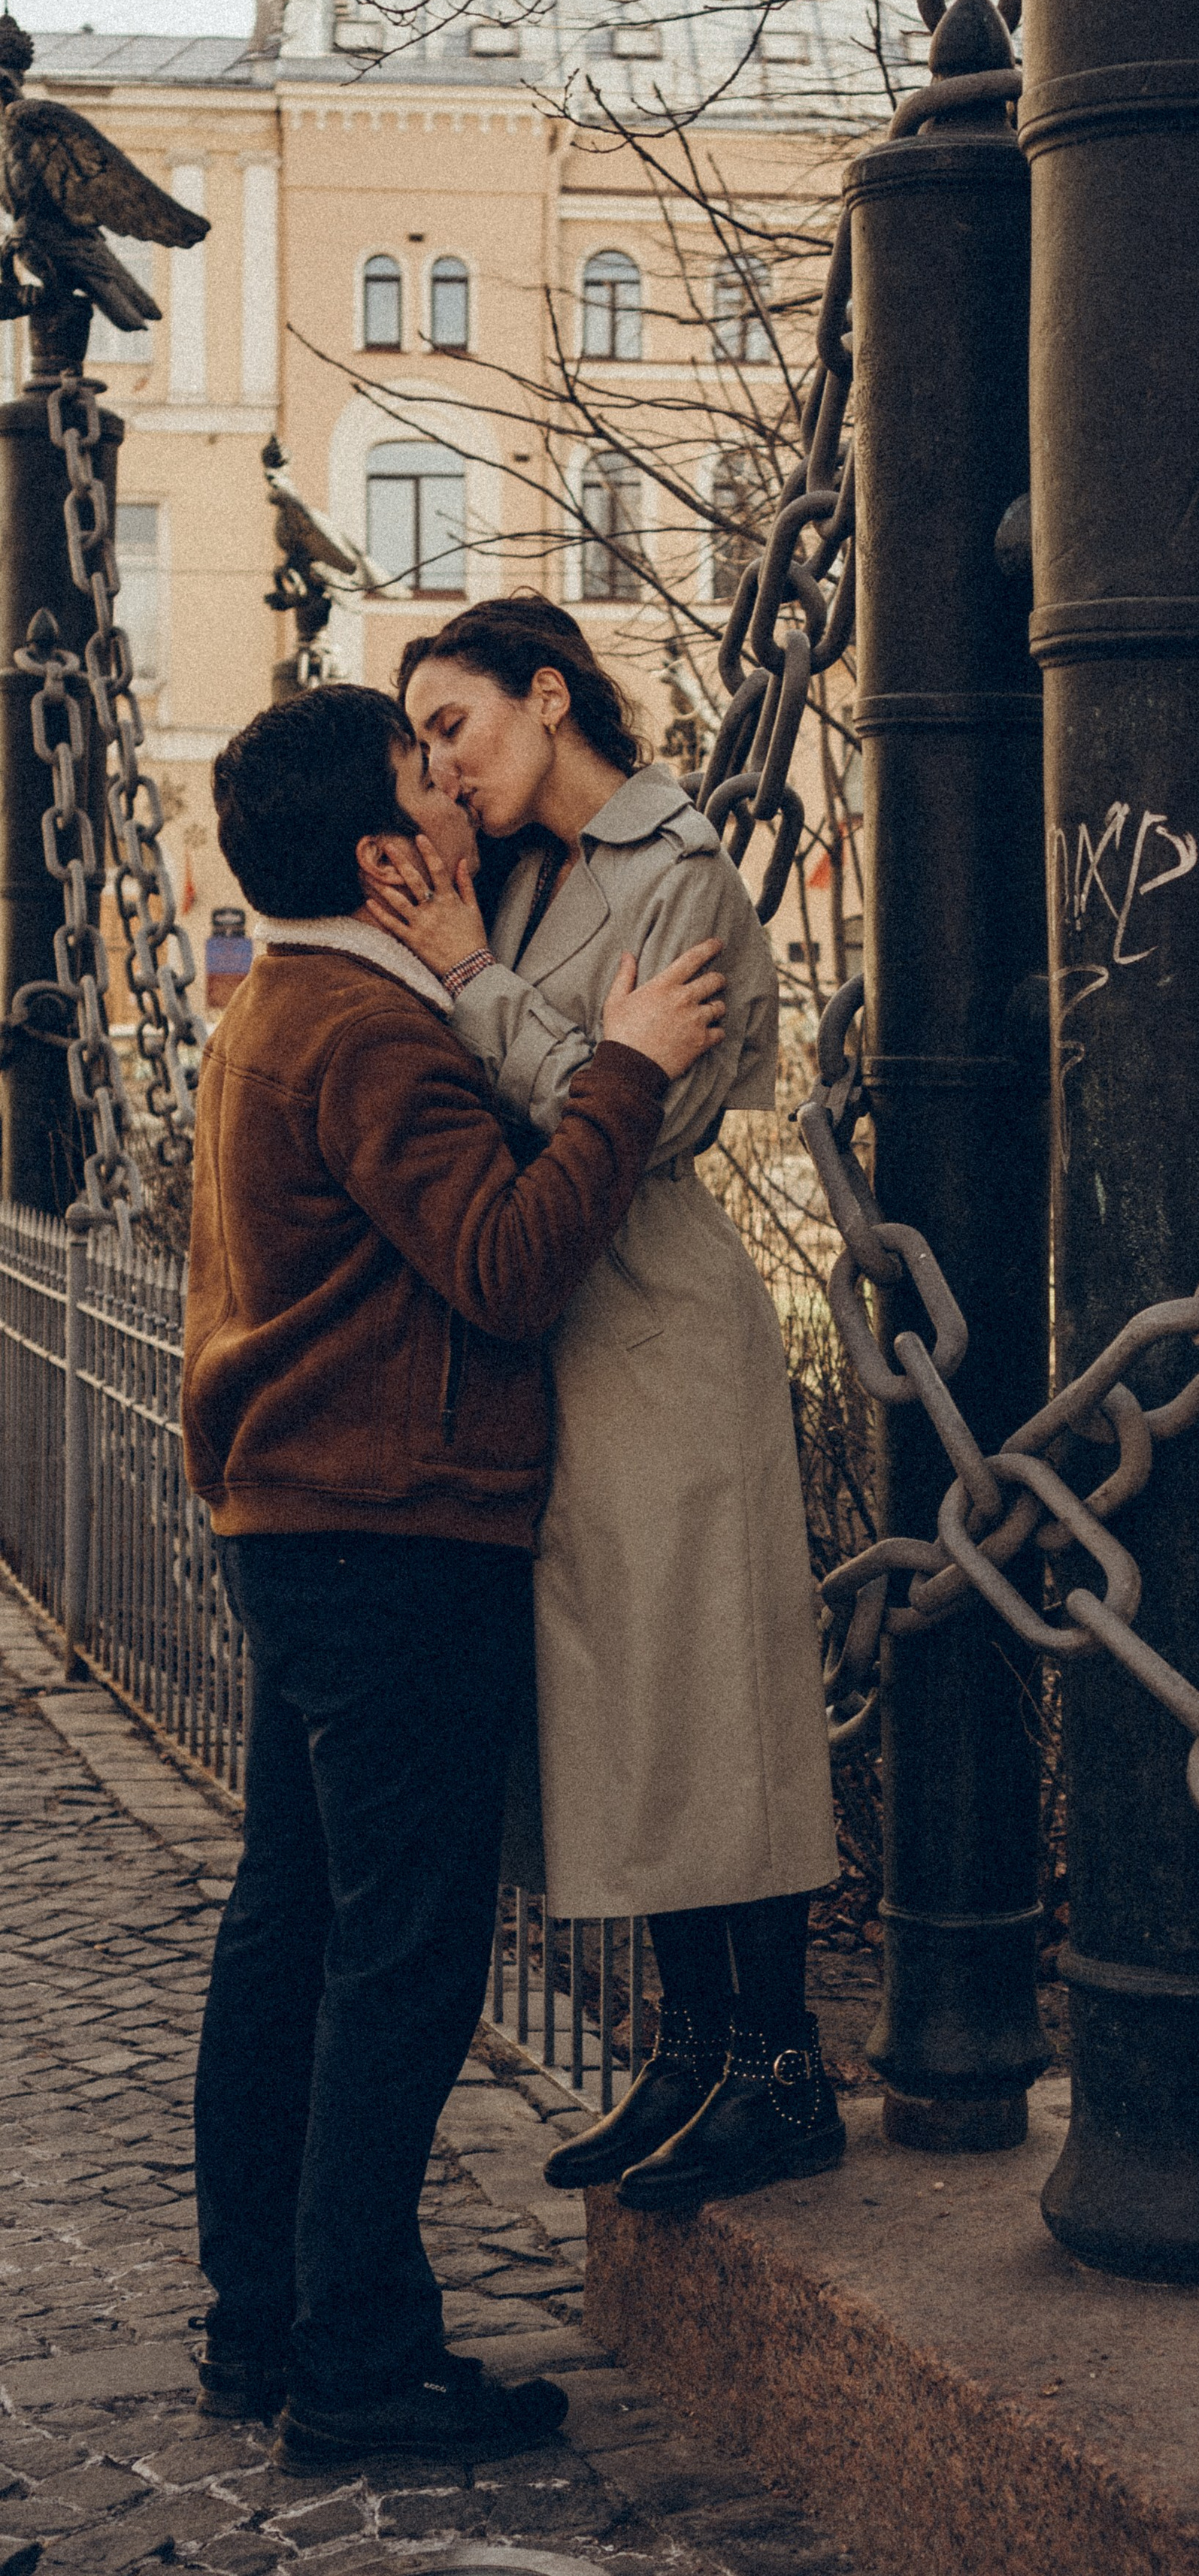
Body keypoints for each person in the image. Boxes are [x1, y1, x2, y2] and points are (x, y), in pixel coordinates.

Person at [183, 684, 727, 2464]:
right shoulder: (368, 1033)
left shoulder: (283, 1003)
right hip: (395, 1532)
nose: (455, 794)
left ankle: (258, 2321)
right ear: (382, 849)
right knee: (399, 1958)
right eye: (427, 773)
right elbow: (504, 1267)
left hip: (307, 1523)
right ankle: (358, 2361)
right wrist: (629, 1061)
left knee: (290, 1927)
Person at [368, 594, 841, 2215]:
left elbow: (628, 1109)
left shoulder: (677, 871)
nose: (442, 762)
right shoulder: (506, 882)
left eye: (457, 724)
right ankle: (691, 2051)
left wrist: (471, 978)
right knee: (623, 1708)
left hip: (654, 1325)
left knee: (709, 1689)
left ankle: (779, 2067)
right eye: (421, 738)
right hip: (544, 1328)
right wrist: (467, 953)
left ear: (547, 696)